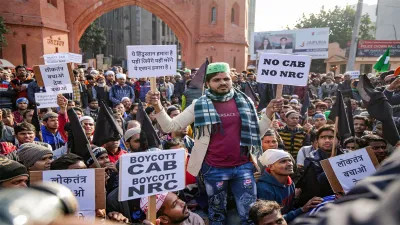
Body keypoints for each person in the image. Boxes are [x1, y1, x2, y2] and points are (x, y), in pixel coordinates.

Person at [147, 62, 281, 224]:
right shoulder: (199, 105)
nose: (223, 82)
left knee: (250, 214)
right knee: (217, 214)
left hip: (243, 167)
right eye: (217, 80)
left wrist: (269, 113)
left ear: (232, 80)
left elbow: (256, 133)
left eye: (226, 79)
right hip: (214, 169)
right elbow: (170, 126)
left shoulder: (246, 102)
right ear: (208, 84)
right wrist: (157, 105)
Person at [257, 149, 322, 222]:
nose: (289, 164)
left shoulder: (289, 182)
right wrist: (302, 209)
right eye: (283, 161)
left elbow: (290, 209)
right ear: (271, 167)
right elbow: (272, 221)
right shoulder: (264, 189)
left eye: (290, 160)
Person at [140, 192, 205, 225]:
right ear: (163, 219)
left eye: (178, 198)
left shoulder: (194, 220)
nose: (183, 203)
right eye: (174, 204)